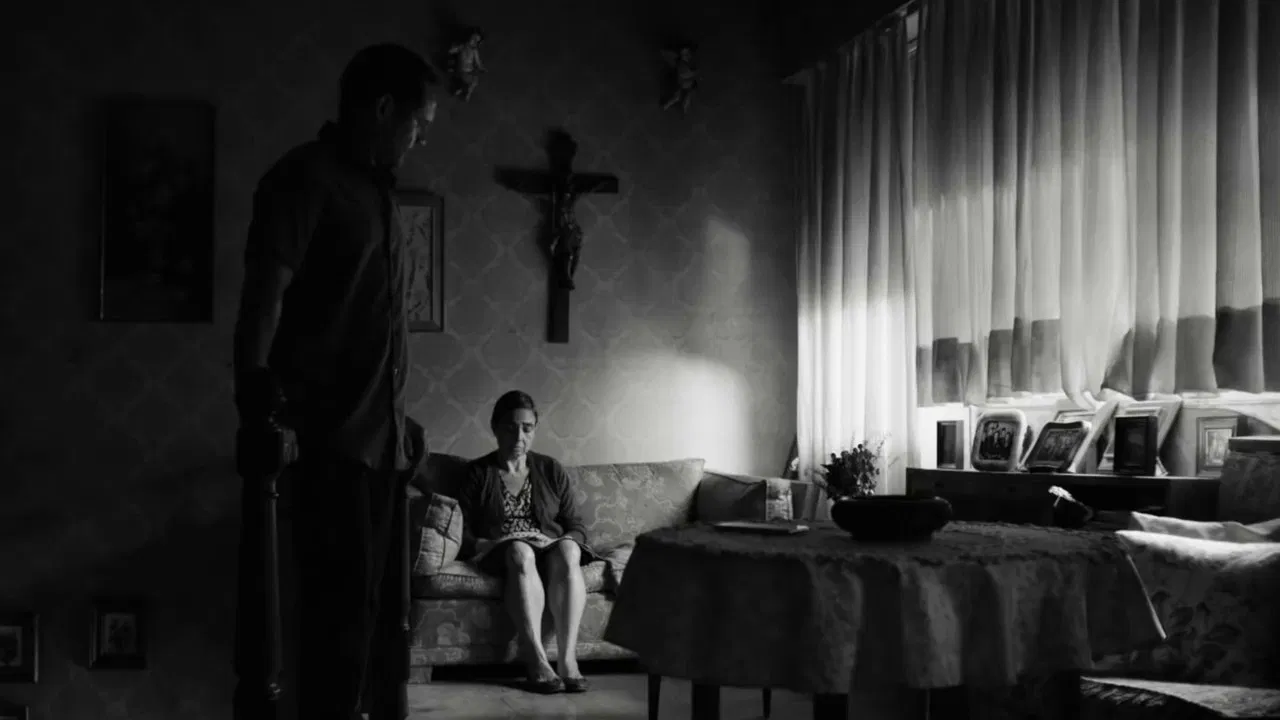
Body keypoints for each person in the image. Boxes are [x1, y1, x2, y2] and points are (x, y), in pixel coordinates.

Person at [231, 43, 440, 720]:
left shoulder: (378, 191)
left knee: (375, 626)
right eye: (417, 123)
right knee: (335, 630)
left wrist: (398, 420)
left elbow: (371, 325)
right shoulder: (304, 178)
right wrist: (253, 389)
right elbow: (264, 296)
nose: (420, 138)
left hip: (382, 448)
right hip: (331, 444)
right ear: (382, 108)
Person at [457, 391, 598, 695]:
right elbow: (461, 532)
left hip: (547, 548)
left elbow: (576, 527)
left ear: (535, 429)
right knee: (520, 551)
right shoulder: (477, 473)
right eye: (510, 428)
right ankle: (535, 659)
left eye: (527, 428)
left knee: (569, 548)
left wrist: (557, 539)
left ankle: (568, 660)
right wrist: (491, 543)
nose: (519, 436)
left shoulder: (550, 469)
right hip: (503, 551)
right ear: (495, 428)